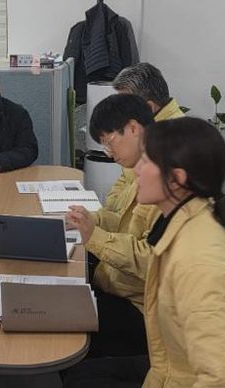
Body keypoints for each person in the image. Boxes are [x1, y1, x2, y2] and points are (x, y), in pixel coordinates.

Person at [65, 117, 225, 387]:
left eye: (147, 161)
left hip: (178, 377)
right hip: (167, 369)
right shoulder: (183, 220)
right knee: (81, 374)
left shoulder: (200, 263)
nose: (136, 170)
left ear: (176, 179)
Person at [66, 93, 156, 357]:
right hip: (117, 285)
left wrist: (94, 236)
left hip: (139, 305)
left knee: (59, 322)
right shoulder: (144, 166)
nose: (109, 153)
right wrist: (90, 219)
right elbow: (126, 222)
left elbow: (151, 259)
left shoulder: (160, 177)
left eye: (109, 142)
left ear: (133, 128)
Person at [104, 62, 183, 209]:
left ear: (148, 108)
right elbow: (123, 182)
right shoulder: (144, 130)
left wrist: (104, 216)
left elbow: (136, 213)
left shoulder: (170, 142)